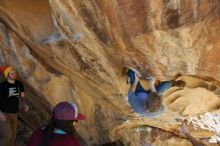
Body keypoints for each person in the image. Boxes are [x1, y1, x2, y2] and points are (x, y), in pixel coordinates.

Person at [0, 66, 29, 146]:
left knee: (13, 135)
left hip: (15, 113)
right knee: (7, 136)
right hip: (4, 113)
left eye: (15, 73)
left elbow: (22, 97)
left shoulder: (19, 84)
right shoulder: (2, 86)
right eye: (12, 73)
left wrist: (24, 104)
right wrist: (0, 113)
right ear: (7, 75)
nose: (14, 75)